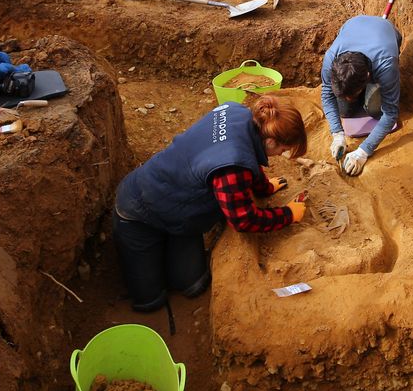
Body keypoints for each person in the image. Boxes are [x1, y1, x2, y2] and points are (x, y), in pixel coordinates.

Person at [113, 96, 307, 312]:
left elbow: (246, 157)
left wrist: (265, 188)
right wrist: (288, 214)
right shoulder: (233, 164)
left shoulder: (239, 112)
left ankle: (168, 245)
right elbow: (244, 220)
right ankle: (150, 269)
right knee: (150, 300)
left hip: (176, 205)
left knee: (193, 285)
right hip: (138, 210)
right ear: (271, 141)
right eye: (283, 150)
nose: (282, 155)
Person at [321, 15, 401, 176]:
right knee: (345, 110)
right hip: (353, 23)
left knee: (375, 111)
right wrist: (337, 134)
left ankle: (374, 91)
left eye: (354, 93)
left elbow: (390, 113)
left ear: (368, 76)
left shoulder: (386, 65)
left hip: (387, 31)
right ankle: (355, 97)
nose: (349, 98)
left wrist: (363, 151)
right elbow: (326, 94)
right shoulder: (330, 60)